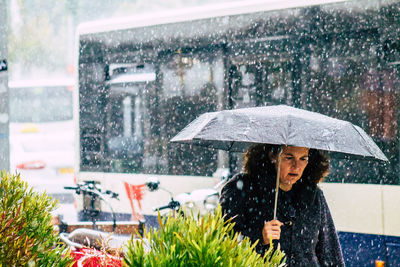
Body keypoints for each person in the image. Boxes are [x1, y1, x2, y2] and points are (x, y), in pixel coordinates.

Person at [219, 144, 345, 266]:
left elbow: (329, 251)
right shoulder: (241, 189)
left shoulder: (314, 196)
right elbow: (223, 244)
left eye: (303, 159)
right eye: (289, 158)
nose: (296, 166)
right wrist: (259, 237)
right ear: (273, 156)